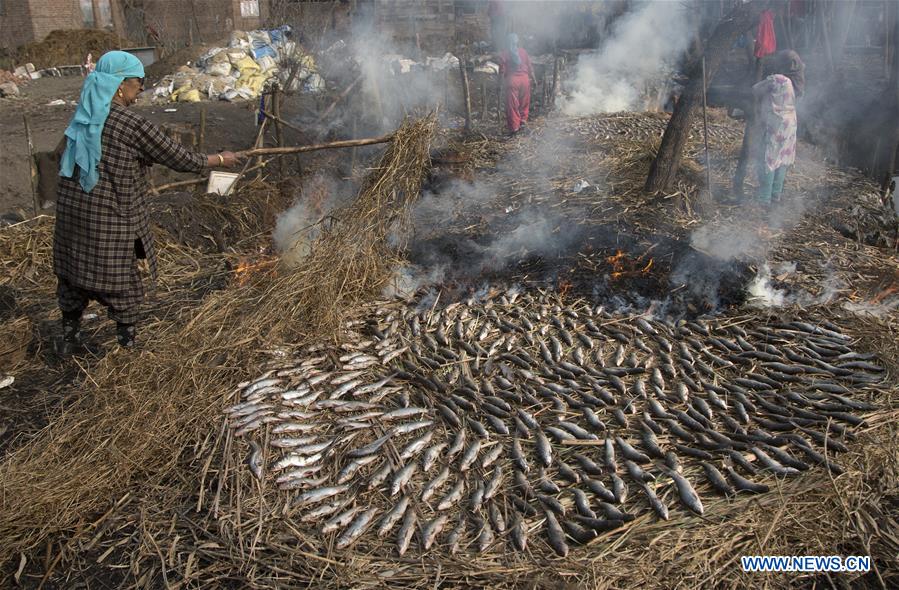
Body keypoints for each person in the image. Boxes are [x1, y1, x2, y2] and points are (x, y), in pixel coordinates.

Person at [53, 51, 240, 353]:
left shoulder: (83, 115)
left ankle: (68, 340)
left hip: (72, 217)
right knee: (122, 285)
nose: (141, 88)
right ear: (118, 85)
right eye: (138, 82)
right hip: (108, 219)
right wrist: (219, 159)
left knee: (73, 279)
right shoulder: (129, 124)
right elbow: (178, 157)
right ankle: (128, 351)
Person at [752, 72, 797, 205]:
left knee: (769, 161)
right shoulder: (788, 82)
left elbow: (755, 89)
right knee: (782, 159)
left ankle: (764, 199)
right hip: (790, 124)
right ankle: (776, 196)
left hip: (776, 124)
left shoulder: (775, 80)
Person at [498, 33, 535, 135]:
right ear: (517, 42)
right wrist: (534, 80)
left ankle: (515, 129)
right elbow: (530, 67)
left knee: (512, 106)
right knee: (524, 103)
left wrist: (499, 85)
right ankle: (523, 123)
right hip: (525, 80)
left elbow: (502, 72)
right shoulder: (523, 51)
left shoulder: (504, 54)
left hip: (512, 81)